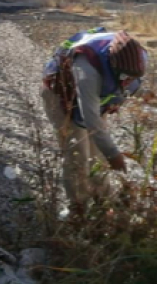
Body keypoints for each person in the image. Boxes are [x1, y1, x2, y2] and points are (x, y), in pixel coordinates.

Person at [40, 27, 149, 203]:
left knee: (97, 153)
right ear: (113, 65)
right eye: (124, 77)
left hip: (94, 97)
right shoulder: (87, 70)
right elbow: (91, 120)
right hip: (60, 96)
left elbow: (129, 85)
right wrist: (115, 155)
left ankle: (104, 199)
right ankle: (78, 208)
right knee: (77, 156)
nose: (128, 82)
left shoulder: (137, 58)